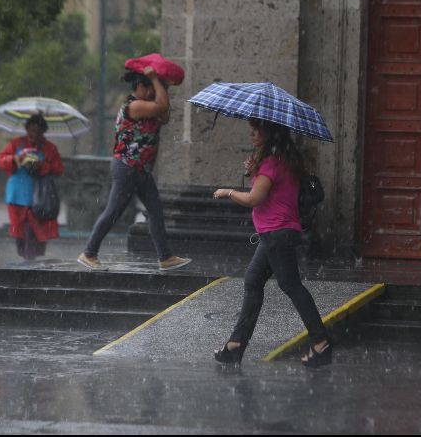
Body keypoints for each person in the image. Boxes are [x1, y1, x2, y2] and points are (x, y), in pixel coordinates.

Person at [212, 119, 332, 367]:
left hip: (277, 234)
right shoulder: (283, 161)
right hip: (277, 234)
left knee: (291, 286)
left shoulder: (270, 163)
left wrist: (228, 192)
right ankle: (236, 344)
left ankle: (321, 343)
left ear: (271, 133)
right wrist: (255, 171)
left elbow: (255, 198)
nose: (252, 132)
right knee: (253, 281)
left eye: (258, 128)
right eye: (252, 127)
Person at [77, 66, 191, 271]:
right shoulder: (134, 106)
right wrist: (156, 79)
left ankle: (165, 257)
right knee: (113, 211)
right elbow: (162, 107)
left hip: (142, 170)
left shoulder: (149, 108)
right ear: (139, 87)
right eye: (150, 89)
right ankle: (89, 252)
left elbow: (164, 114)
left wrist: (160, 84)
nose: (153, 94)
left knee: (155, 211)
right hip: (127, 167)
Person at [0, 114, 64, 260]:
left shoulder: (49, 148)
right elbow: (2, 159)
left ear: (43, 131)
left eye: (38, 131)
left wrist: (42, 166)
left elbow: (59, 168)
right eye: (32, 130)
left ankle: (30, 258)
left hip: (39, 195)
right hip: (17, 194)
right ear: (27, 129)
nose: (34, 134)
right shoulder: (16, 144)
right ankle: (26, 256)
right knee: (19, 229)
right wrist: (15, 159)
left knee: (34, 228)